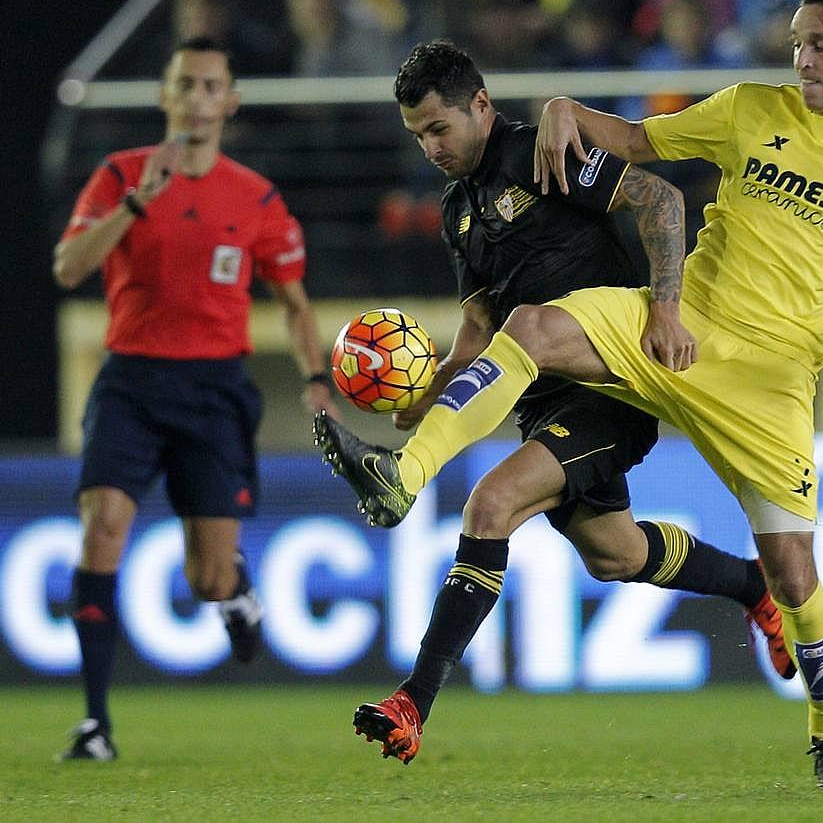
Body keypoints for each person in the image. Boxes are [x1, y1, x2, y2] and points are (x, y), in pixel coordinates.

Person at [318, 0, 823, 788]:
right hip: (681, 329)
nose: (802, 59)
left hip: (770, 382)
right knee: (534, 332)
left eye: (820, 45)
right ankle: (404, 474)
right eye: (798, 43)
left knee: (795, 577)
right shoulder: (749, 109)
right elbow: (635, 143)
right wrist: (567, 109)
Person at [325, 39, 795, 766]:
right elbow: (476, 334)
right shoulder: (458, 212)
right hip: (540, 394)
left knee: (490, 504)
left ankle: (412, 700)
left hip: (609, 380)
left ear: (480, 105)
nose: (429, 148)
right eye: (417, 136)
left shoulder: (536, 153)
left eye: (439, 128)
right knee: (615, 553)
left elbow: (659, 197)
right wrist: (429, 398)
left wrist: (666, 310)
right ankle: (750, 585)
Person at [52, 37, 336, 760]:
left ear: (230, 103)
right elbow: (68, 267)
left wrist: (315, 378)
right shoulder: (120, 176)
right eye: (186, 85)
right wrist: (134, 208)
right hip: (132, 379)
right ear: (165, 97)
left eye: (212, 86)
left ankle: (235, 591)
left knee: (205, 577)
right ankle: (94, 725)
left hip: (212, 388)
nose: (199, 98)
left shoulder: (257, 199)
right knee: (102, 525)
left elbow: (295, 302)